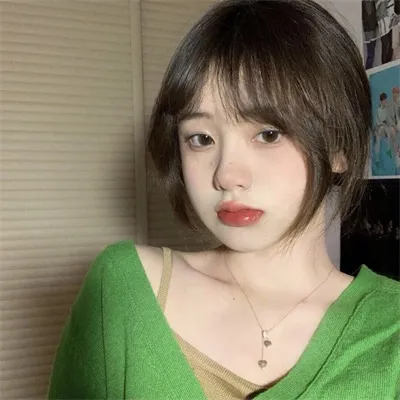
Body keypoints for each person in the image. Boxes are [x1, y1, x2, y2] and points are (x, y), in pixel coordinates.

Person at [48, 1, 400, 399]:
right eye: (201, 139)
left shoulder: (390, 333)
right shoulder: (124, 291)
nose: (226, 175)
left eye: (268, 134)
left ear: (340, 147)